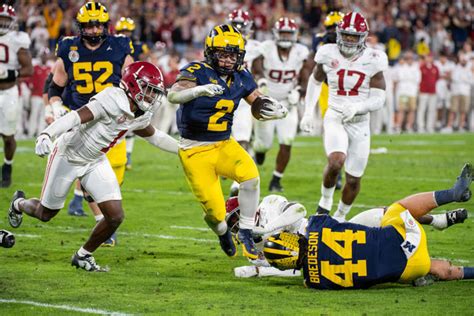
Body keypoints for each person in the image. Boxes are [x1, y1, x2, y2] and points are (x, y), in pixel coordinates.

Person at [8, 61, 178, 272]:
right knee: (45, 213)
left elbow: (156, 136)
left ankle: (82, 255)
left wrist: (184, 151)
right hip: (68, 155)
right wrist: (46, 133)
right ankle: (19, 203)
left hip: (95, 160)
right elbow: (75, 116)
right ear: (133, 85)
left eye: (155, 92)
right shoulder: (112, 99)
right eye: (148, 90)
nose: (152, 97)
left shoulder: (141, 113)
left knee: (115, 216)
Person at [167, 24, 287, 260]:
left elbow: (256, 101)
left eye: (233, 55)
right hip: (195, 151)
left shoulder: (241, 76)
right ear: (211, 53)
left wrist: (272, 109)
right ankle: (223, 232)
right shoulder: (196, 71)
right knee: (215, 214)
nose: (228, 60)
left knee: (251, 177)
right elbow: (173, 95)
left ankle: (245, 230)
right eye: (223, 54)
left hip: (223, 143)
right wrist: (198, 91)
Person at [263, 163, 473, 289]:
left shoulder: (313, 283)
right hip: (406, 236)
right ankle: (451, 195)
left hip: (409, 270)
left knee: (425, 267)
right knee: (396, 208)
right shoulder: (316, 226)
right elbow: (340, 228)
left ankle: (467, 272)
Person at [48, 2, 134, 245]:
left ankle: (99, 213)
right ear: (81, 27)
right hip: (82, 118)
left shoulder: (119, 46)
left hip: (112, 118)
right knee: (88, 172)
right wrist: (55, 105)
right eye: (89, 25)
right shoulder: (68, 48)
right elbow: (56, 85)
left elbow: (131, 77)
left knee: (116, 173)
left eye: (98, 25)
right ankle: (101, 221)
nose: (95, 30)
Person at [228, 193, 467, 278]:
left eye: (237, 219)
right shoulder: (252, 251)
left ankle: (438, 220)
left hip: (335, 232)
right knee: (419, 265)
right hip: (329, 260)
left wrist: (266, 230)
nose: (237, 228)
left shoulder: (269, 204)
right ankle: (444, 271)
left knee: (386, 213)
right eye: (233, 225)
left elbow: (297, 210)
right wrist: (259, 271)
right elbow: (291, 270)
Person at [300, 12, 388, 221]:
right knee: (336, 161)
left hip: (360, 122)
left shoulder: (374, 59)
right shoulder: (327, 53)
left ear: (363, 37)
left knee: (354, 179)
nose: (348, 40)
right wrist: (307, 113)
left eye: (353, 36)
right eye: (345, 35)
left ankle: (340, 216)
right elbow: (314, 81)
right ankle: (325, 203)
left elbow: (379, 99)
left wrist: (358, 107)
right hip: (335, 115)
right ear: (339, 34)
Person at [252, 17, 313, 192]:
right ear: (276, 34)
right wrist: (261, 79)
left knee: (287, 141)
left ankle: (276, 180)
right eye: (283, 33)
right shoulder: (267, 48)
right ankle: (260, 151)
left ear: (295, 35)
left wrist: (299, 90)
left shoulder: (300, 51)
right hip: (267, 100)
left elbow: (306, 74)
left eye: (289, 33)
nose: (286, 36)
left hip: (288, 102)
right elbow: (256, 66)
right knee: (264, 144)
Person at [227, 9, 261, 196]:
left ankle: (236, 182)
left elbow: (259, 70)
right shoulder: (219, 43)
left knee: (242, 139)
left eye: (242, 26)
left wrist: (260, 84)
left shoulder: (256, 48)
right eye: (235, 26)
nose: (239, 30)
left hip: (242, 97)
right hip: (222, 97)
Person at [0, 4, 33, 187]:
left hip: (9, 91)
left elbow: (29, 69)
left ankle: (7, 166)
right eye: (0, 19)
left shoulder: (17, 40)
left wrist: (9, 74)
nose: (3, 23)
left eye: (6, 19)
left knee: (8, 135)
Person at [115, 16, 151, 170]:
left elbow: (146, 64)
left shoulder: (139, 46)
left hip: (135, 85)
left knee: (133, 119)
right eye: (122, 31)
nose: (125, 34)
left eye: (127, 31)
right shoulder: (113, 45)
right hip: (119, 83)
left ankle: (127, 156)